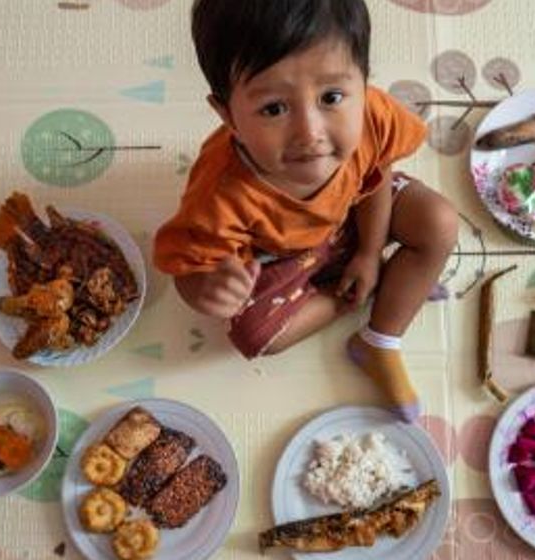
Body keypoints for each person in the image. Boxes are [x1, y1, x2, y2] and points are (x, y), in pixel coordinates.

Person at [153, 0, 458, 423]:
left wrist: (369, 253)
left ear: (364, 82)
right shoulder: (219, 193)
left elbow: (378, 173)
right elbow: (187, 268)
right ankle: (379, 288)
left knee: (440, 223)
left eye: (331, 97)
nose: (310, 133)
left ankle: (380, 340)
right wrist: (206, 287)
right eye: (274, 108)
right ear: (227, 115)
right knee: (257, 337)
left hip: (362, 210)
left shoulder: (372, 114)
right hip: (281, 255)